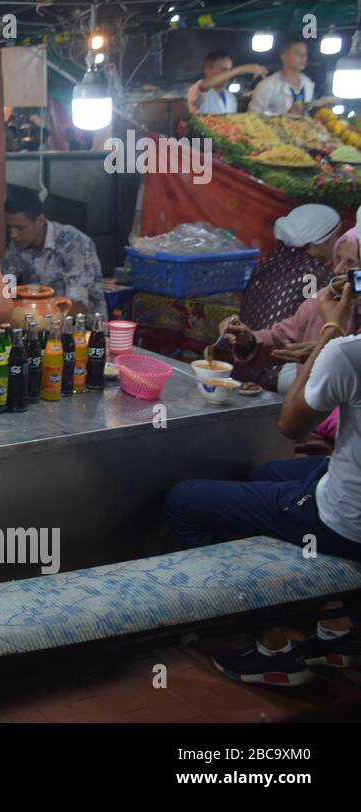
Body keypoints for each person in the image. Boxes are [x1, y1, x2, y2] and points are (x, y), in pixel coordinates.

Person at [166, 279, 361, 686]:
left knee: (184, 500)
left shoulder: (348, 350)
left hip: (345, 524)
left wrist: (330, 333)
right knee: (265, 474)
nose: (345, 278)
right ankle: (336, 633)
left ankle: (271, 646)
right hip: (339, 481)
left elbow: (291, 426)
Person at [222, 227, 357, 395]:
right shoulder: (323, 299)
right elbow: (282, 337)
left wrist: (326, 352)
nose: (338, 270)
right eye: (338, 258)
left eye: (350, 262)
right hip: (308, 403)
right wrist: (248, 339)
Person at [1, 185, 107, 320]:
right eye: (9, 227)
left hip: (83, 327)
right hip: (37, 320)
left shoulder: (73, 243)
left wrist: (41, 320)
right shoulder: (16, 247)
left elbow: (77, 306)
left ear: (39, 221)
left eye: (20, 228)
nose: (13, 234)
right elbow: (5, 291)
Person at [237, 203, 340, 334]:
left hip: (249, 348)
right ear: (320, 241)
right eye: (336, 236)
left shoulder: (269, 261)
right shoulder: (315, 273)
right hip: (284, 351)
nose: (339, 241)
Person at [249, 38, 315, 116]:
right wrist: (286, 115)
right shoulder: (267, 85)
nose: (303, 58)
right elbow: (252, 117)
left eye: (305, 54)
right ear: (283, 56)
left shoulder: (308, 83)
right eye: (298, 54)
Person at [187, 50, 266, 115]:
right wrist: (241, 69)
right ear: (208, 70)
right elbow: (204, 86)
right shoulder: (197, 89)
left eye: (230, 70)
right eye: (224, 70)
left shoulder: (230, 97)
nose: (228, 74)